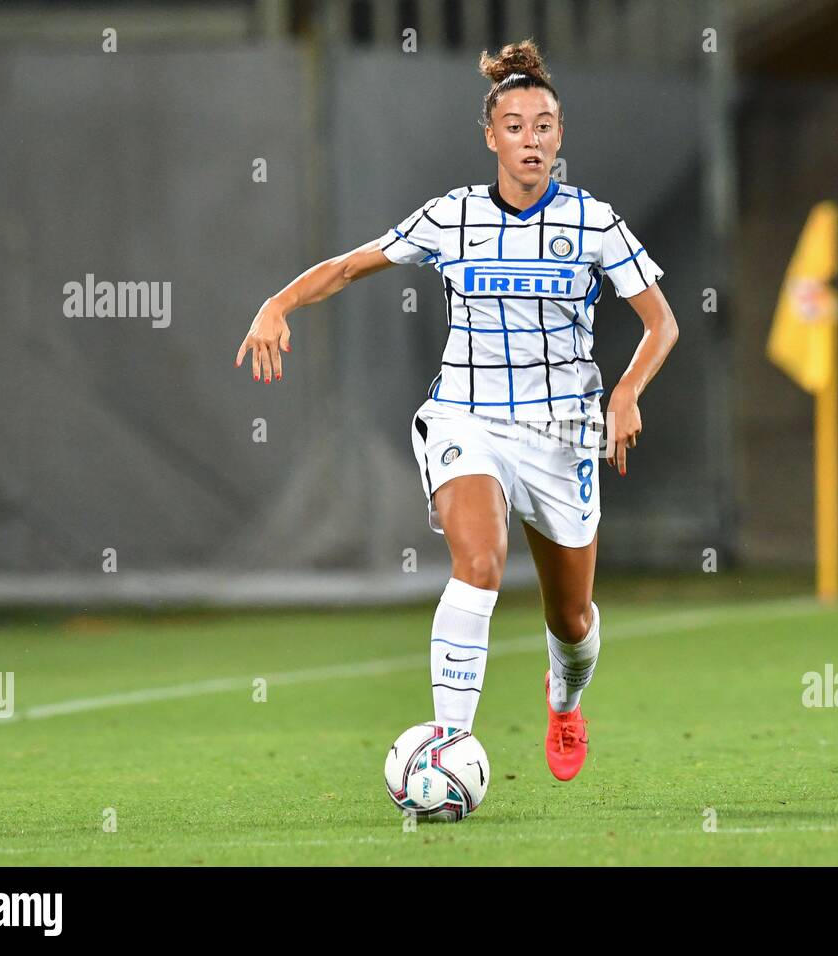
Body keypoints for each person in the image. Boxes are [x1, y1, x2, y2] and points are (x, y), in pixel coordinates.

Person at [235, 39, 678, 782]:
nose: (529, 139)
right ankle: (447, 744)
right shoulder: (452, 217)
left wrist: (625, 392)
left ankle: (564, 700)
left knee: (570, 622)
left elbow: (661, 322)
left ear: (559, 136)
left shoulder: (594, 222)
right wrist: (277, 303)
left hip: (565, 434)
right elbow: (349, 266)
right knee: (479, 563)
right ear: (491, 137)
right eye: (514, 125)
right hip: (466, 418)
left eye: (543, 125)